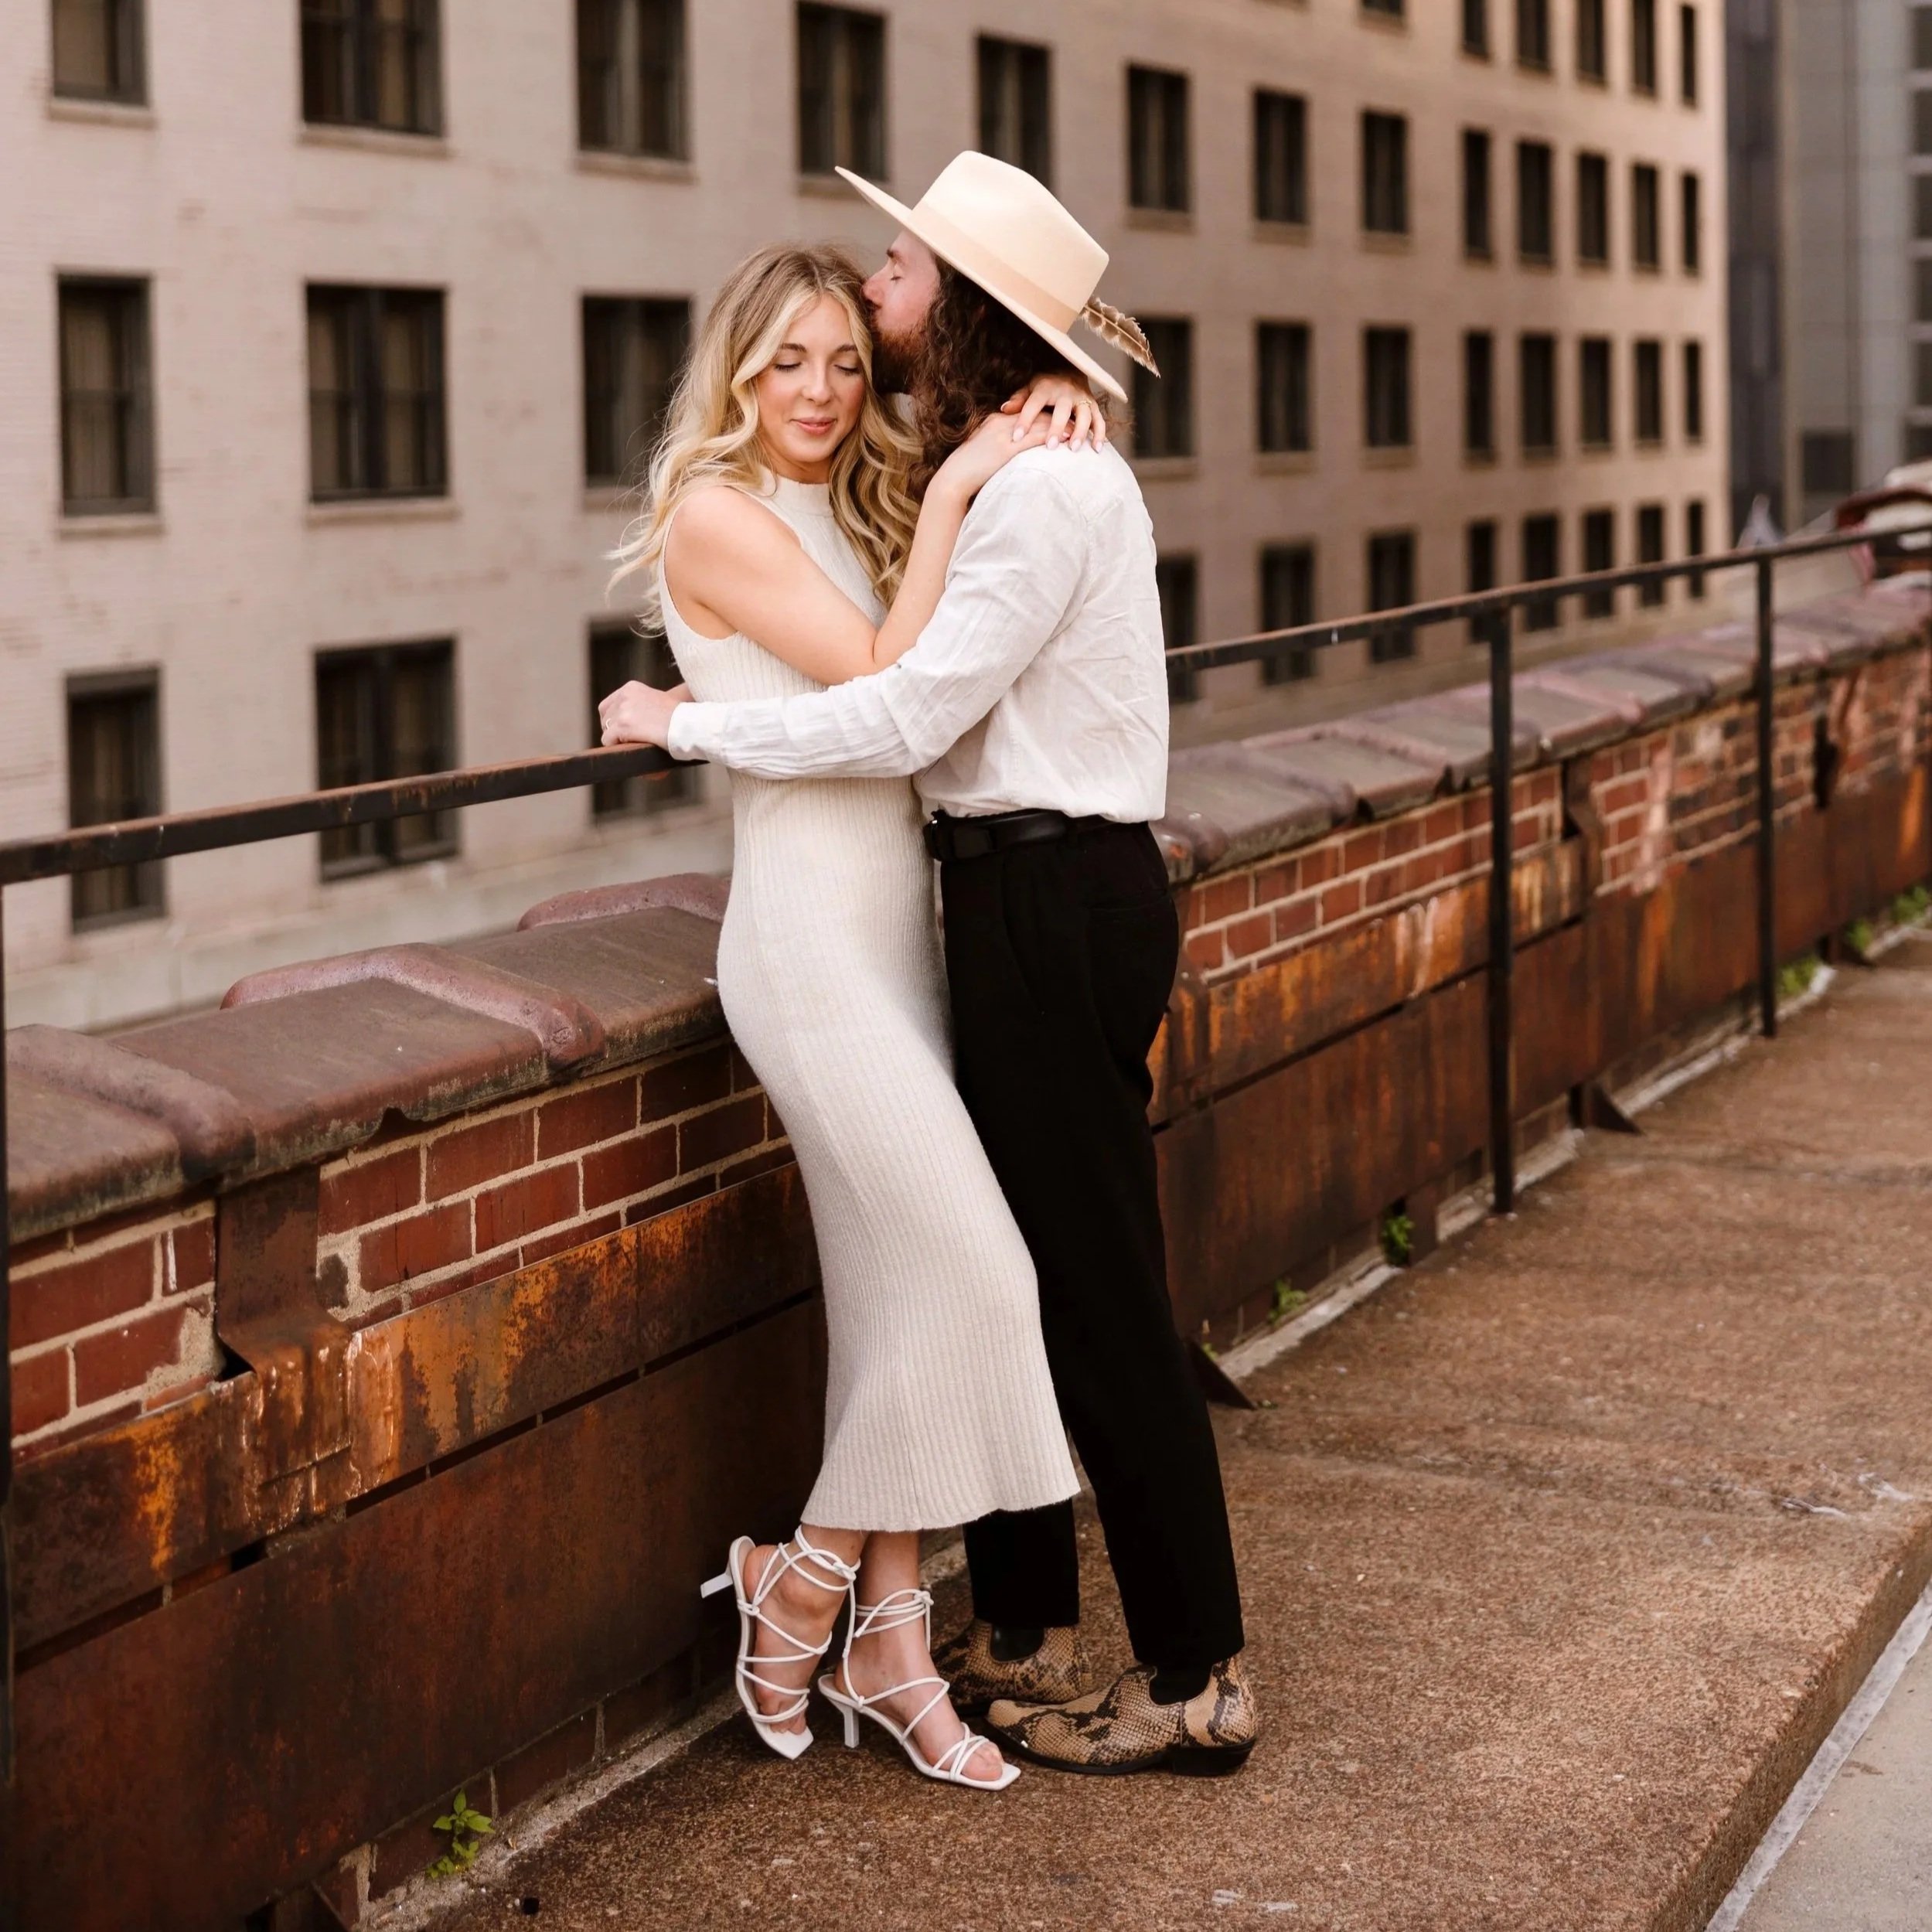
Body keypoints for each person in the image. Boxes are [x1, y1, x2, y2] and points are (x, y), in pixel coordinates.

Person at [601, 155, 1259, 1777]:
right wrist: (965, 463)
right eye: (793, 355)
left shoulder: (1026, 483)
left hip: (1041, 894)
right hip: (953, 905)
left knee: (1065, 1281)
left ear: (952, 308)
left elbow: (901, 712)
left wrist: (686, 724)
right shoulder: (962, 471)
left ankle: (1179, 1667)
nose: (868, 310)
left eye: (889, 286)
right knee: (990, 1269)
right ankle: (987, 1626)